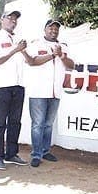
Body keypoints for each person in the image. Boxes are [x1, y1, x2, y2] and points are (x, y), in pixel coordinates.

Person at [22, 19, 75, 167]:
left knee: (48, 124)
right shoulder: (36, 44)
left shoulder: (63, 46)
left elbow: (71, 66)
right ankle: (36, 154)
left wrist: (62, 56)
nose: (53, 31)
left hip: (55, 92)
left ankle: (45, 151)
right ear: (44, 29)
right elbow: (32, 61)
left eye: (56, 29)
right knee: (37, 124)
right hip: (38, 91)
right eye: (50, 28)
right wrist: (52, 55)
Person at [0, 10, 28, 170]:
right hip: (3, 86)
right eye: (9, 18)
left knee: (15, 122)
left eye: (15, 18)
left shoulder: (19, 39)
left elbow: (28, 59)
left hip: (19, 85)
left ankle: (12, 153)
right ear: (1, 20)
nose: (13, 21)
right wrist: (15, 50)